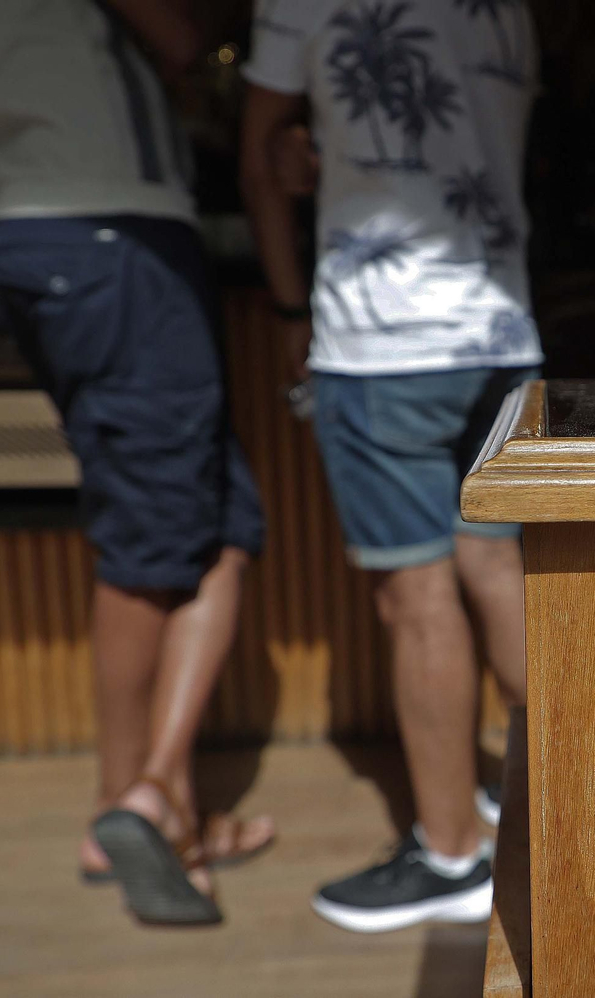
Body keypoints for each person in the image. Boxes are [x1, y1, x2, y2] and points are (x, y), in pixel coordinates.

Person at [0, 0, 275, 926]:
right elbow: (184, 38)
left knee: (218, 521)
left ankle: (168, 811)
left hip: (29, 229)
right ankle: (132, 805)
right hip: (112, 226)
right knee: (156, 536)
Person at [241, 0, 539, 932]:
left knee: (416, 600)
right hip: (503, 329)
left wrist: (291, 309)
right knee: (495, 567)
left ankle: (452, 853)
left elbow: (258, 156)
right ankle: (564, 792)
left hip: (384, 341)